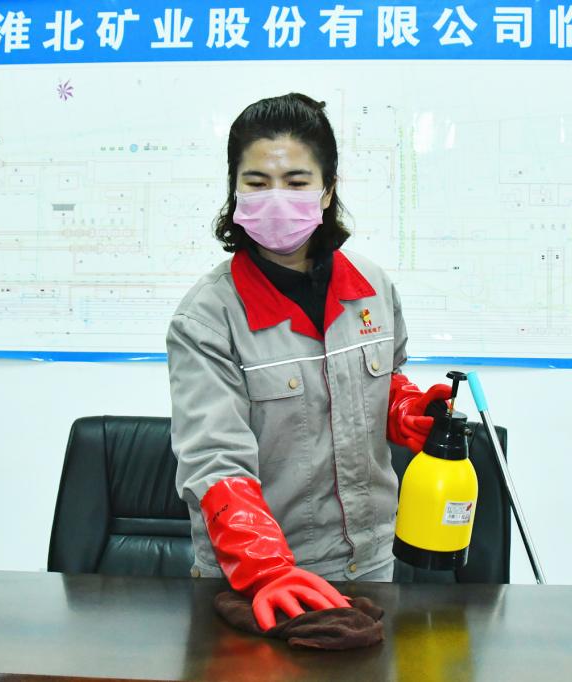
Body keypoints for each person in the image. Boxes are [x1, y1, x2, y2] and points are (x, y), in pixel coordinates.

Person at [166, 93, 450, 631]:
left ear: (327, 190)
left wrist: (404, 409)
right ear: (234, 190)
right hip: (258, 579)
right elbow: (214, 460)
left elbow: (380, 380)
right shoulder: (207, 317)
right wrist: (266, 569)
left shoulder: (372, 287)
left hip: (370, 564)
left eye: (296, 182)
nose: (276, 198)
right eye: (257, 182)